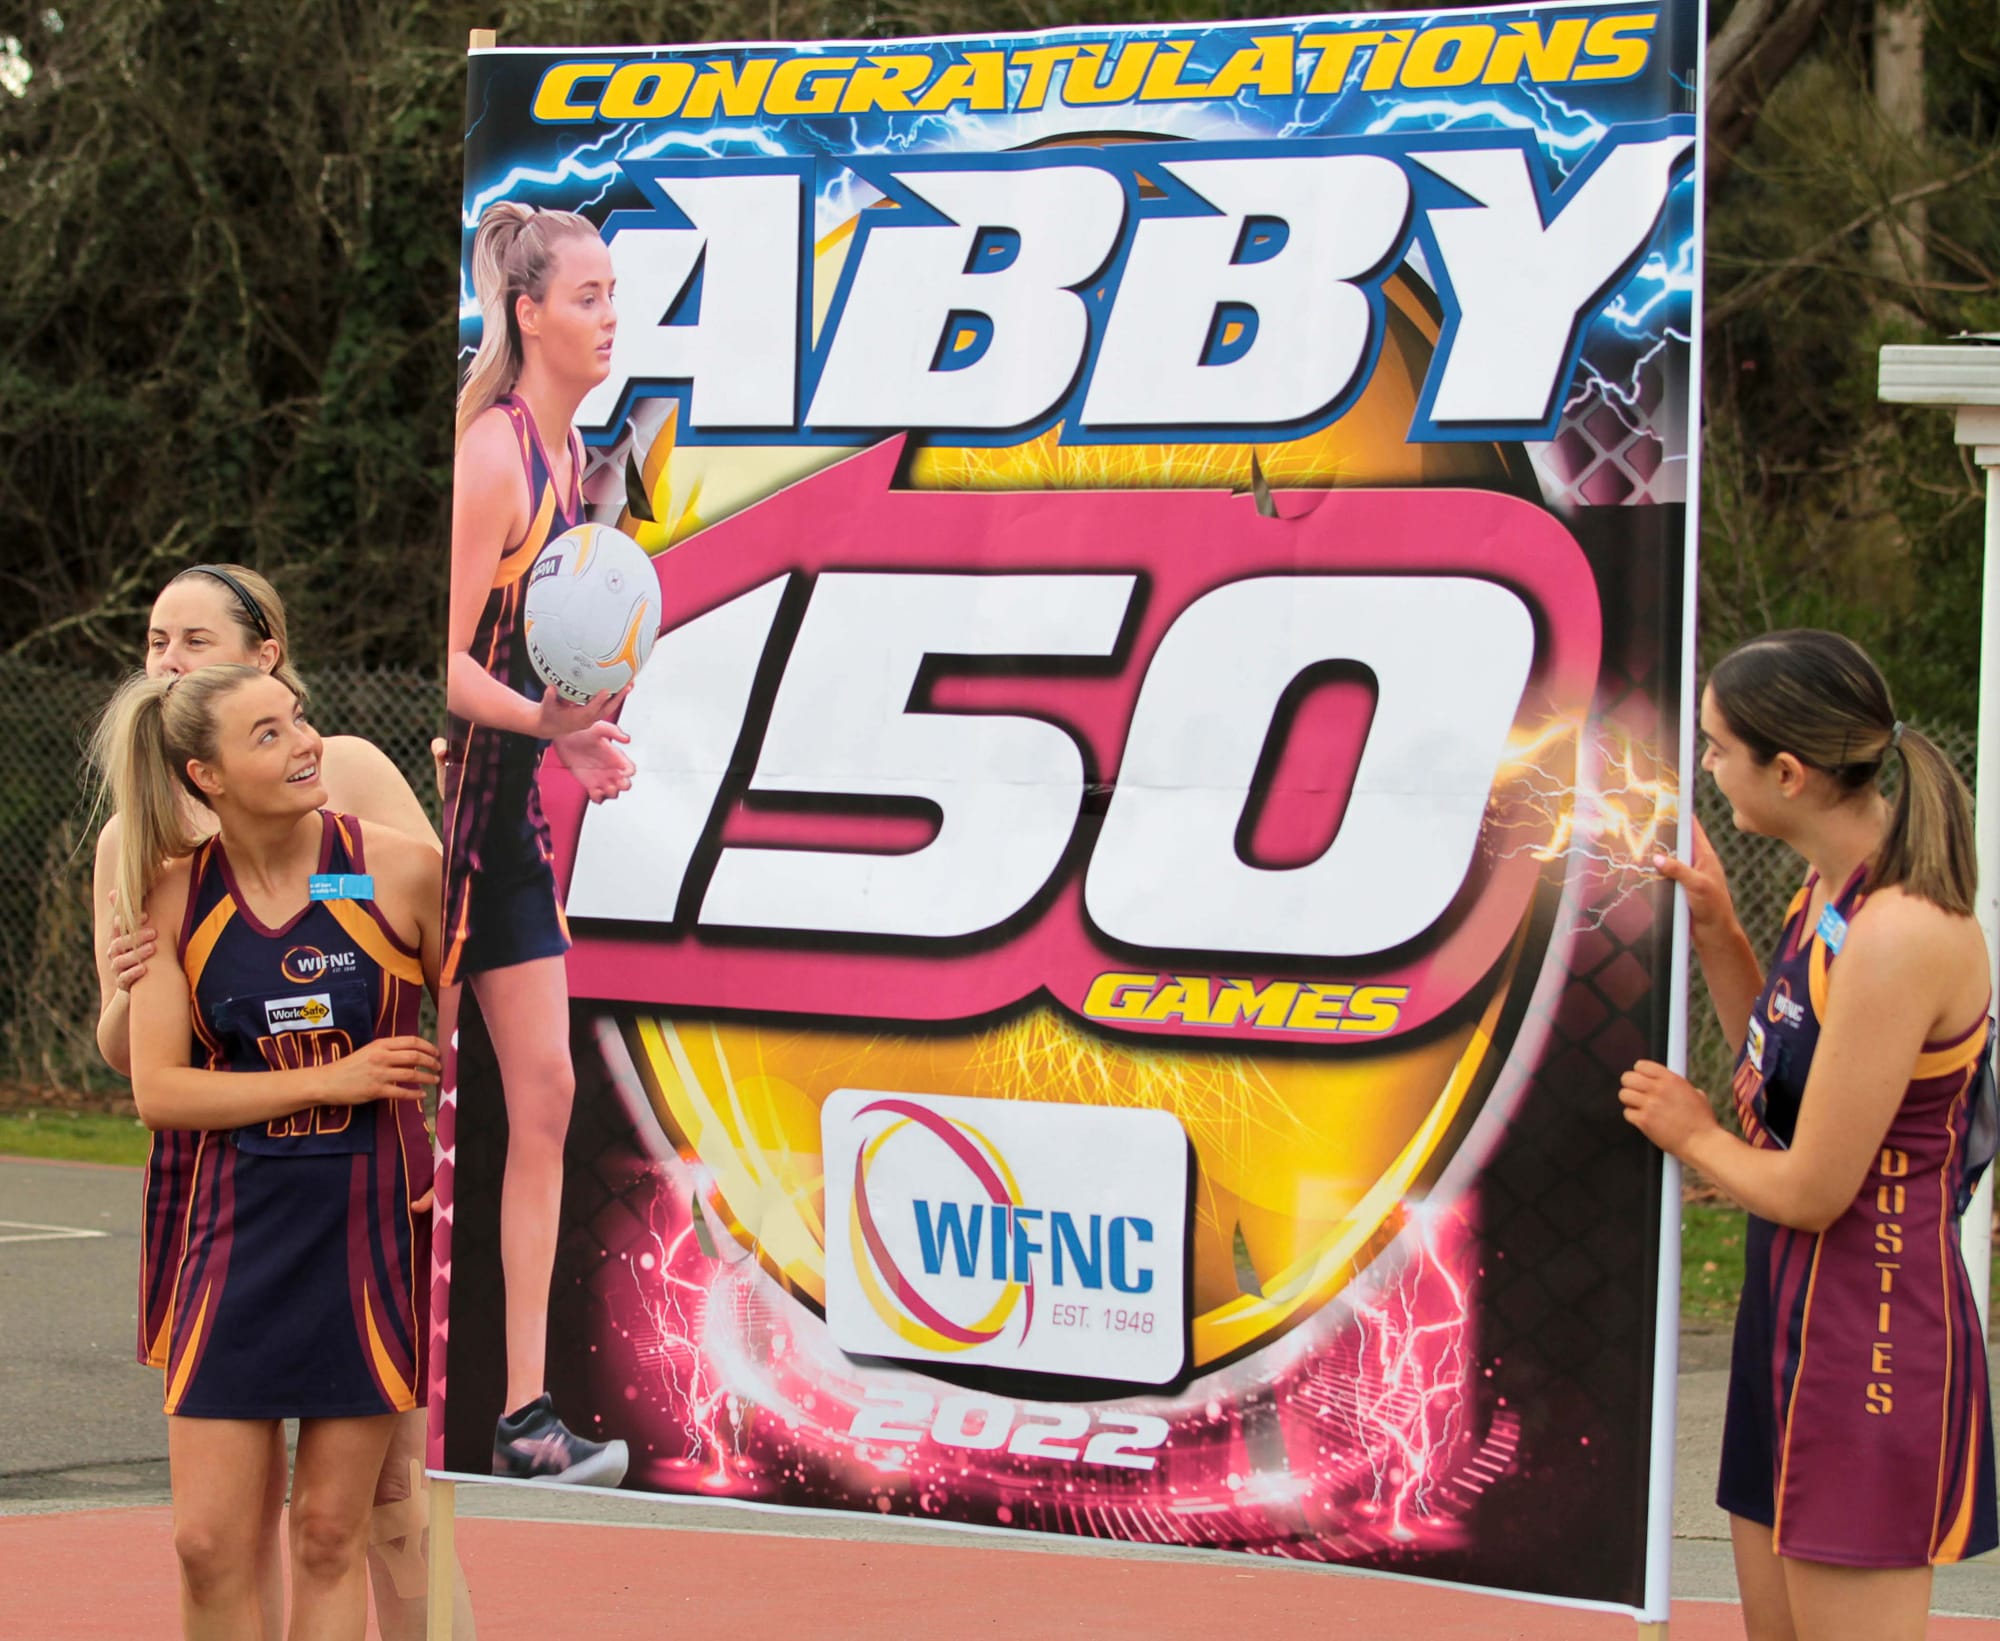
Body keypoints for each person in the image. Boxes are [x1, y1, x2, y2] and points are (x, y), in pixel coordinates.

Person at [92, 562, 471, 1638]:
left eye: (190, 638)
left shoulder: (367, 855)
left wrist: (474, 807)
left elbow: (479, 965)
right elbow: (142, 1070)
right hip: (228, 1214)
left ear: (265, 651)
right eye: (156, 639)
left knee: (364, 1520)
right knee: (213, 1538)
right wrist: (135, 990)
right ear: (204, 769)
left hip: (372, 1213)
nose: (165, 658)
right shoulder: (153, 864)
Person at [1620, 630, 1995, 1641]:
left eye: (1713, 748)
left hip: (1866, 1327)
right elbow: (1784, 1080)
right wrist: (1720, 935)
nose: (1702, 767)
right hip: (1785, 1311)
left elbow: (1810, 1186)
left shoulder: (1898, 931)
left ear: (1784, 772)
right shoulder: (1825, 892)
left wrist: (1688, 1135)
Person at [445, 200, 633, 1483]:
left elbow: (527, 672)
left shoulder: (573, 462)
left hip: (507, 821)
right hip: (444, 827)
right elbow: (439, 664)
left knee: (547, 1095)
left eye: (615, 294)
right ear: (527, 313)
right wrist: (544, 721)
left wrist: (566, 739)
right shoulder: (495, 458)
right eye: (586, 297)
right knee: (399, 1107)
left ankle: (523, 1420)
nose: (609, 316)